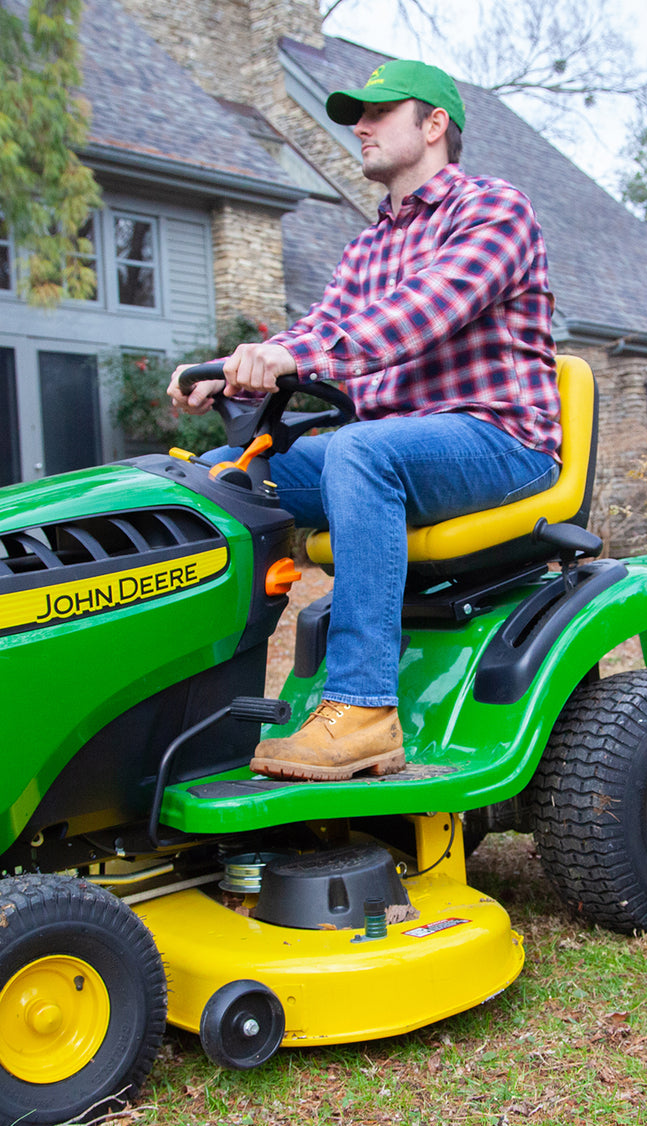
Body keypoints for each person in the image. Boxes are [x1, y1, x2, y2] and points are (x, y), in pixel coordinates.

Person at [168, 59, 561, 782]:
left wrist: (286, 355)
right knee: (217, 479)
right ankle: (185, 701)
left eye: (380, 112)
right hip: (390, 449)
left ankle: (363, 708)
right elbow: (319, 330)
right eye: (358, 113)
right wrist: (231, 370)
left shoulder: (494, 210)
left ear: (435, 124)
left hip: (499, 440)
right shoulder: (367, 245)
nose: (361, 125)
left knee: (361, 453)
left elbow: (417, 317)